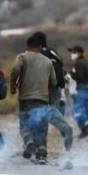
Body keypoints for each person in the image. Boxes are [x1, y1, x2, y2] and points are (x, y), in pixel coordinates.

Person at [10, 36, 58, 164]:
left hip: (26, 99)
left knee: (25, 124)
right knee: (41, 127)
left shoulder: (22, 57)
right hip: (42, 100)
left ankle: (28, 141)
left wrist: (13, 85)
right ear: (41, 47)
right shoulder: (48, 61)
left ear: (27, 46)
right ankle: (41, 155)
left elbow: (15, 70)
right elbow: (54, 82)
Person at [31, 31, 74, 150]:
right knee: (52, 112)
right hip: (59, 89)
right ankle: (64, 132)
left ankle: (64, 130)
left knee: (45, 114)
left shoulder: (39, 54)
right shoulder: (53, 52)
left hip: (46, 89)